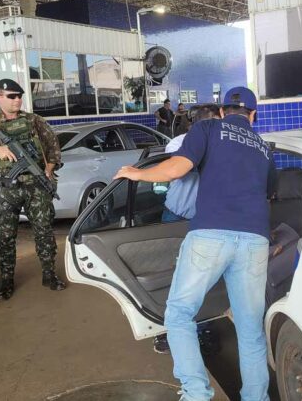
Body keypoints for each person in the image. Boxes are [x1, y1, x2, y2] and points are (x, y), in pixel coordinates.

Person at [115, 87, 276, 401]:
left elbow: (177, 168)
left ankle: (197, 394)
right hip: (255, 239)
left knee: (178, 314)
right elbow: (268, 193)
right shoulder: (264, 147)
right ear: (253, 116)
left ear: (221, 112)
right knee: (250, 329)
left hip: (211, 234)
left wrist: (137, 173)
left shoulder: (208, 128)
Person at [0, 78, 66, 301]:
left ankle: (49, 274)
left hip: (35, 186)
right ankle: (7, 280)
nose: (17, 100)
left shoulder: (34, 121)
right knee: (5, 236)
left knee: (44, 232)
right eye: (12, 96)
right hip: (5, 188)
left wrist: (48, 169)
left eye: (19, 96)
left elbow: (53, 148)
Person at [154, 103, 222, 355]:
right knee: (172, 275)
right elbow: (178, 162)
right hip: (176, 216)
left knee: (203, 276)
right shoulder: (179, 143)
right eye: (213, 123)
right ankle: (169, 330)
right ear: (196, 125)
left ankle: (203, 326)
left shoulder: (224, 146)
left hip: (206, 221)